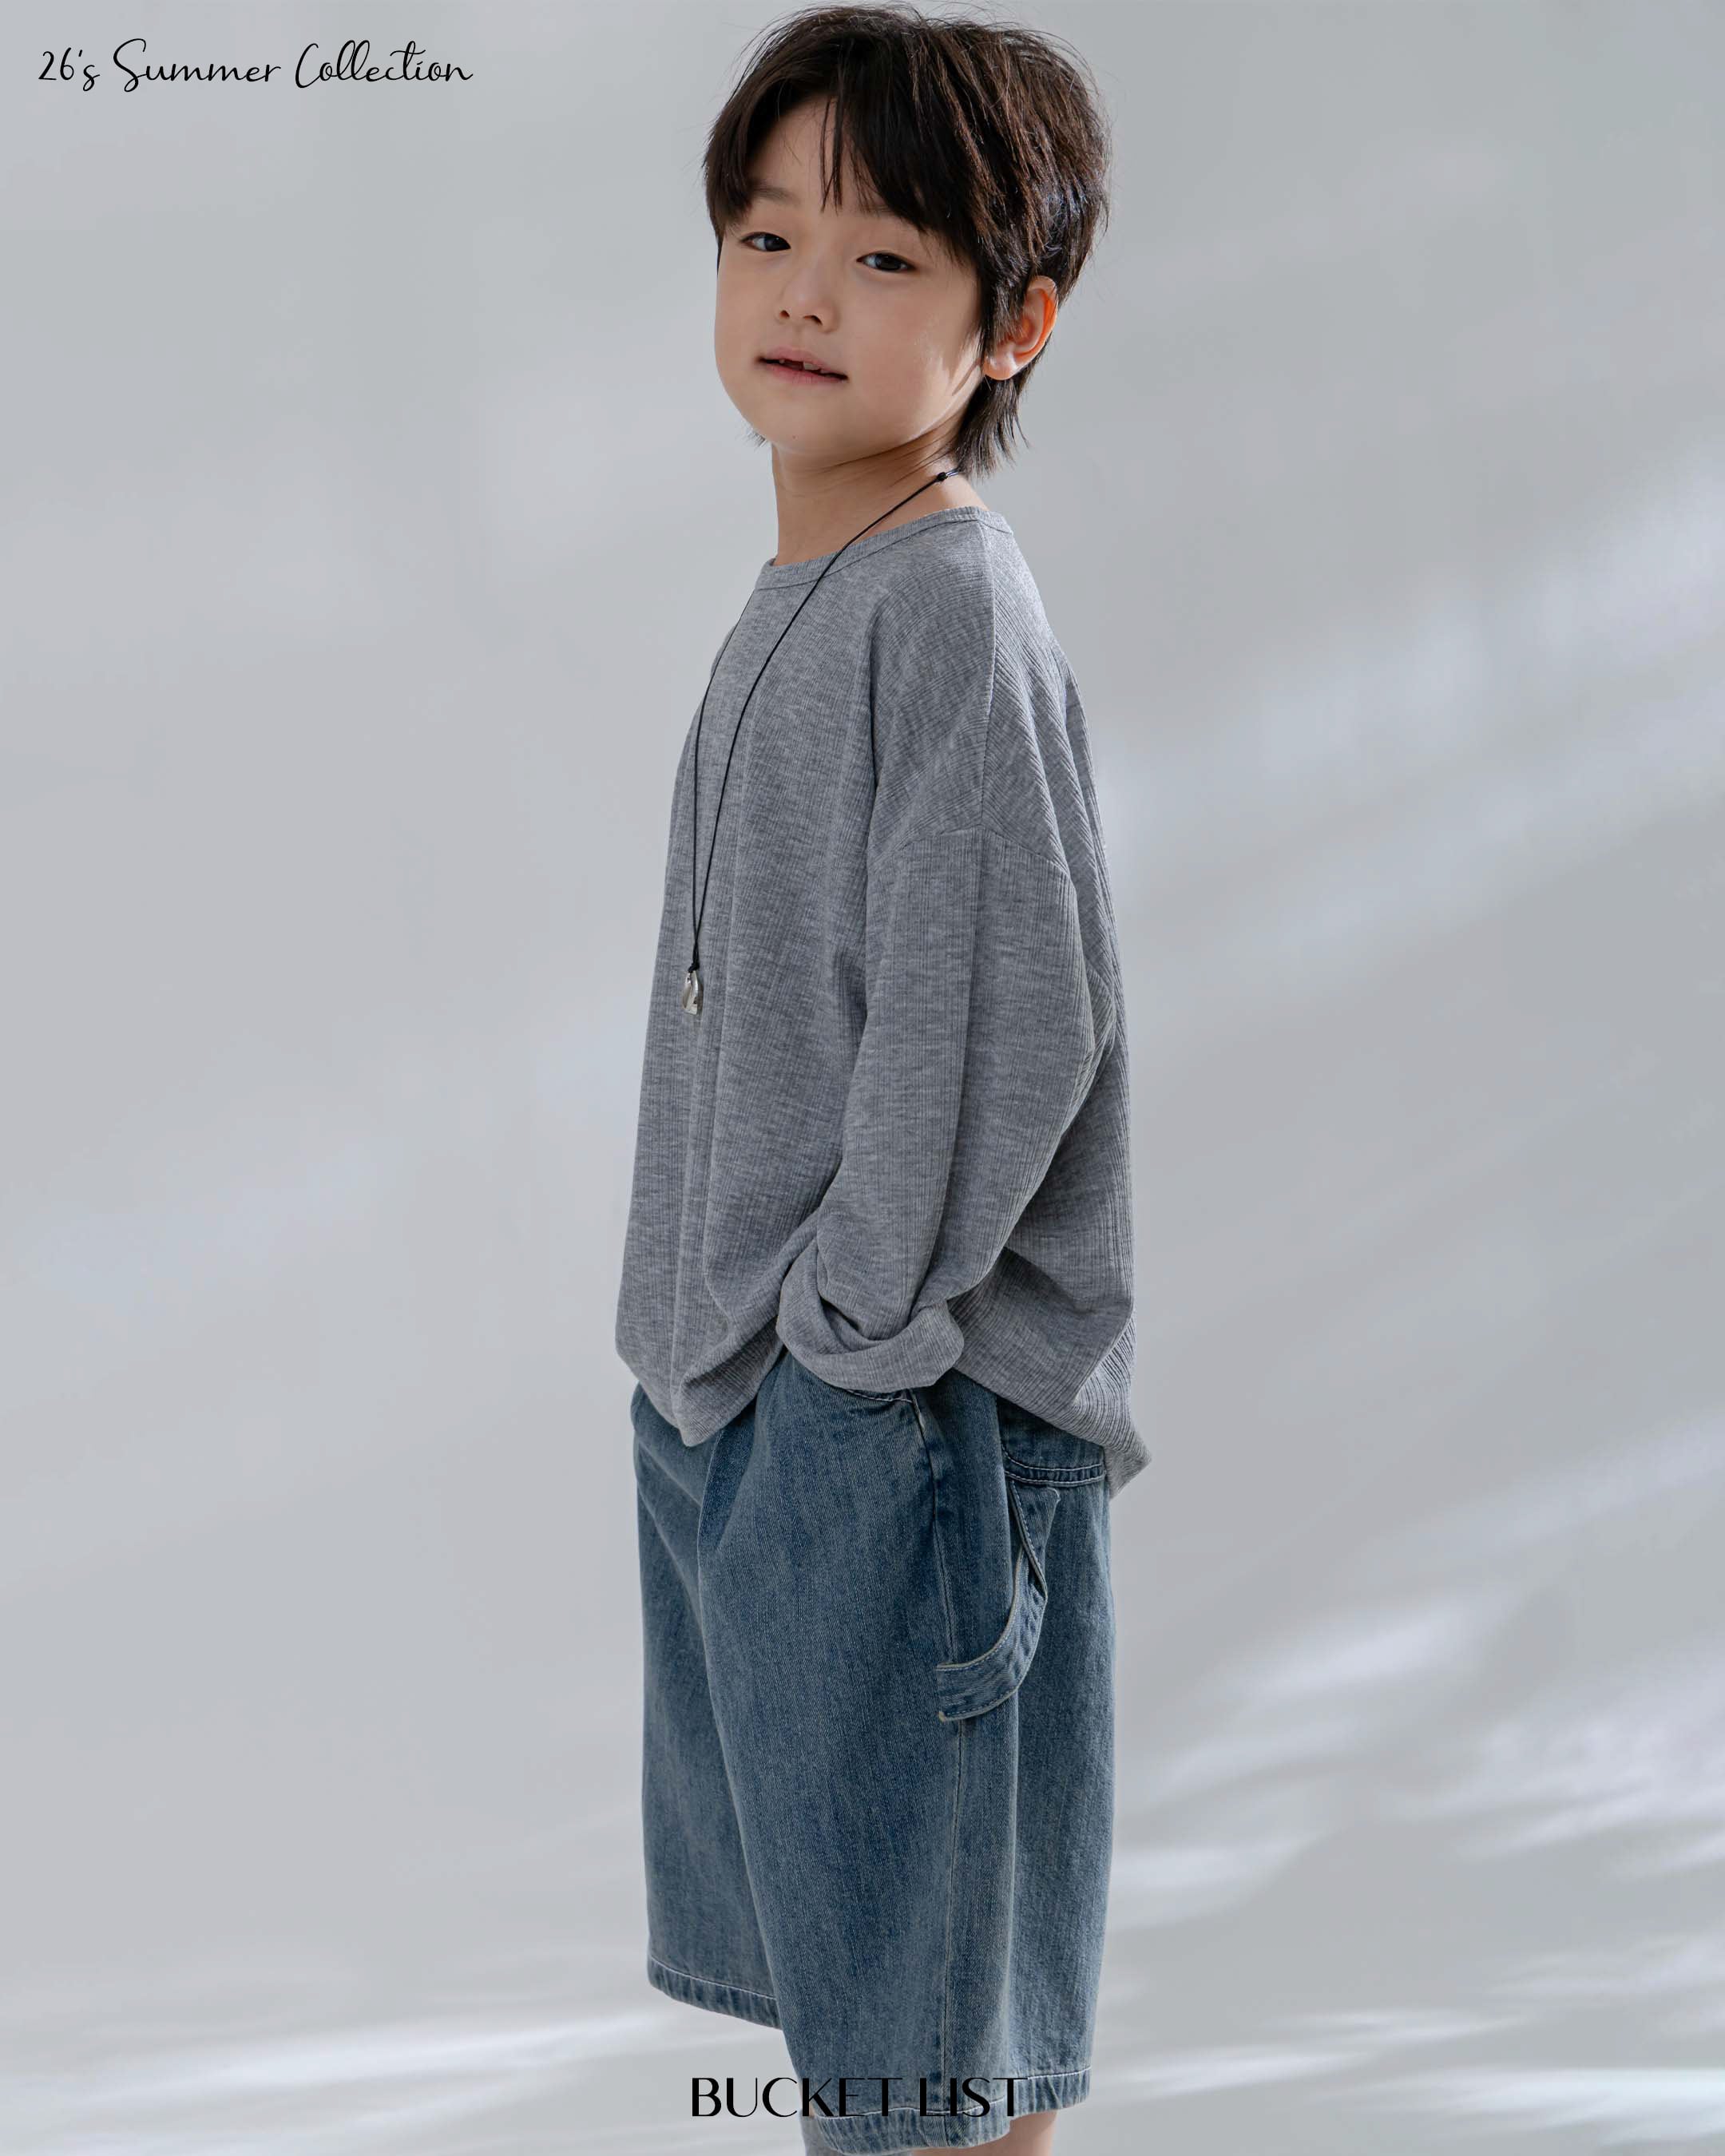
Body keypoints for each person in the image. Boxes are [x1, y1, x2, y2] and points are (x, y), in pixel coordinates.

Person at [614, 8, 1147, 2147]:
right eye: (766, 236)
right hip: (749, 1403)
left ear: (1018, 323)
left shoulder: (947, 608)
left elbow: (1003, 1015)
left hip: (895, 1417)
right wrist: (728, 1363)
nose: (805, 293)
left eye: (885, 255)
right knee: (883, 2037)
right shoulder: (804, 594)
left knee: (942, 2060)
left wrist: (846, 1341)